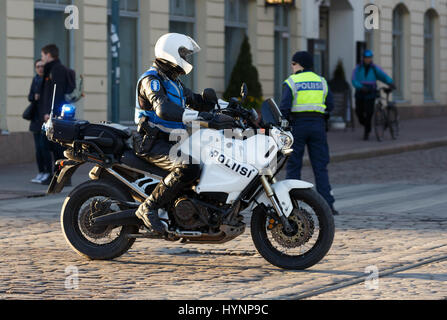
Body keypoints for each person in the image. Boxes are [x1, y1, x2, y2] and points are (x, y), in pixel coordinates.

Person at [134, 33, 225, 234]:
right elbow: (163, 109)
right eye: (183, 53)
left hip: (171, 141)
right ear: (171, 52)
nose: (186, 57)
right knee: (188, 166)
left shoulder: (174, 82)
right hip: (151, 142)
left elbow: (196, 100)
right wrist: (201, 116)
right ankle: (148, 207)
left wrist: (227, 106)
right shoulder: (152, 80)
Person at [279, 51, 338, 215]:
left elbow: (284, 107)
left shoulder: (292, 81)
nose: (291, 67)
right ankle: (328, 205)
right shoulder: (322, 81)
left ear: (299, 65)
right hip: (318, 126)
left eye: (293, 63)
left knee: (293, 166)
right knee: (320, 166)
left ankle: (289, 205)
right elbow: (331, 105)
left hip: (298, 126)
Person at [40, 44, 70, 184]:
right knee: (54, 146)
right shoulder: (54, 68)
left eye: (43, 55)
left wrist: (49, 113)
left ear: (48, 55)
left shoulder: (55, 70)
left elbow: (55, 93)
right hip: (54, 113)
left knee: (57, 147)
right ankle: (58, 176)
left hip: (55, 114)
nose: (42, 58)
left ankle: (60, 177)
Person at [351, 50, 395, 140]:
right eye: (366, 58)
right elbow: (353, 79)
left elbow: (383, 76)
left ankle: (367, 132)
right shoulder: (358, 68)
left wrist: (391, 83)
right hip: (360, 93)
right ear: (363, 58)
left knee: (369, 113)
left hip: (370, 93)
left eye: (369, 58)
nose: (368, 60)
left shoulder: (374, 68)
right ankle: (367, 125)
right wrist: (360, 87)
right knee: (359, 112)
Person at [28, 59, 53, 184]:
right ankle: (41, 172)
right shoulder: (35, 79)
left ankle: (48, 172)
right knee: (38, 149)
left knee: (45, 148)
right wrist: (34, 97)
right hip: (35, 119)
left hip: (45, 119)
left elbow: (49, 99)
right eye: (38, 66)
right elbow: (30, 96)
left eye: (42, 66)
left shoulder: (48, 80)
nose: (40, 68)